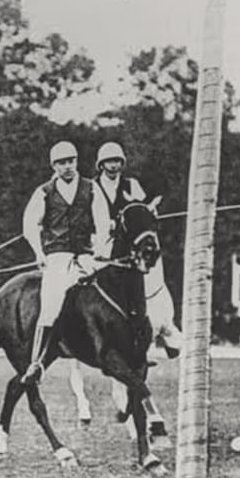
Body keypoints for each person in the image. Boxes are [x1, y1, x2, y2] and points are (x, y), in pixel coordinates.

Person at [20, 140, 110, 384]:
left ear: (76, 162)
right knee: (50, 305)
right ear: (54, 166)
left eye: (70, 161)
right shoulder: (44, 192)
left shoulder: (92, 188)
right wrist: (39, 253)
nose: (67, 166)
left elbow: (103, 222)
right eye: (61, 163)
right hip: (57, 256)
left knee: (111, 289)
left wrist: (100, 249)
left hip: (86, 254)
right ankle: (36, 363)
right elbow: (30, 225)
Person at [95, 141, 183, 358]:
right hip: (103, 240)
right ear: (101, 165)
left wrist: (150, 211)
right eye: (109, 162)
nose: (113, 166)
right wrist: (108, 223)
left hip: (129, 241)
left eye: (117, 161)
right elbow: (92, 215)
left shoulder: (131, 184)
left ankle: (160, 324)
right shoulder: (93, 187)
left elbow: (140, 209)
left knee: (152, 265)